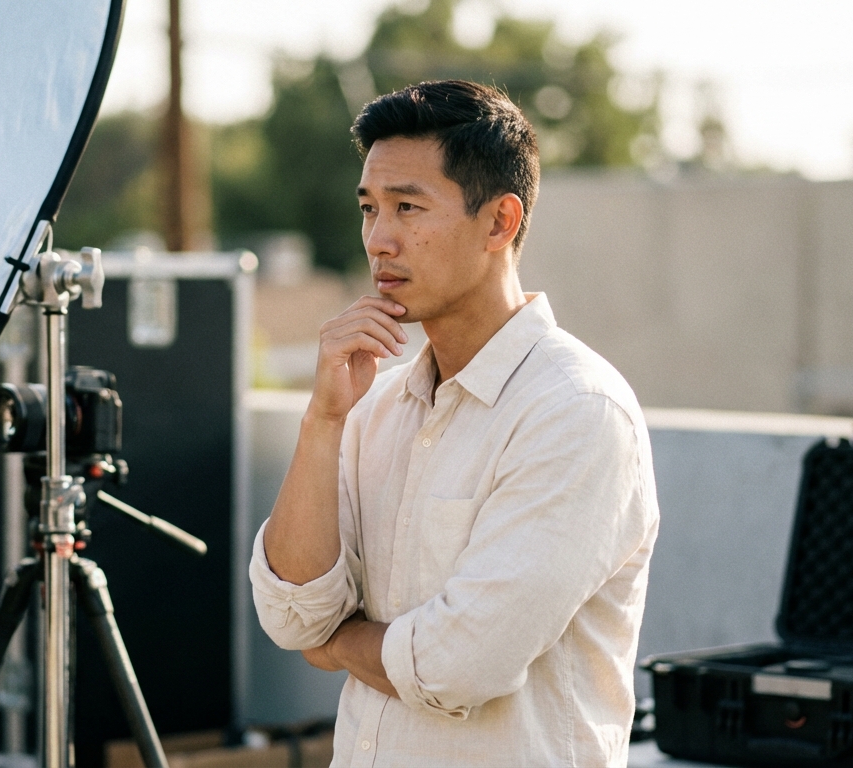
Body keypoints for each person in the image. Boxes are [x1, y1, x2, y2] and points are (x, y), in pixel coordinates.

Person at [248, 79, 660, 767]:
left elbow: (460, 664)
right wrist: (322, 420)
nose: (379, 240)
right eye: (370, 208)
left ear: (500, 222)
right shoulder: (370, 405)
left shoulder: (576, 412)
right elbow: (292, 615)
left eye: (408, 207)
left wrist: (339, 643)